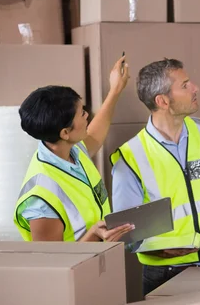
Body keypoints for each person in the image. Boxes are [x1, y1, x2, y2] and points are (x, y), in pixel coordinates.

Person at [110, 58, 200, 295]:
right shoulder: (131, 157)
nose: (196, 88)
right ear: (162, 101)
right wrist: (158, 250)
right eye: (185, 85)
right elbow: (126, 233)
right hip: (165, 275)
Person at [14, 55, 132, 242]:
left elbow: (95, 134)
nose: (87, 116)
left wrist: (116, 89)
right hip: (81, 269)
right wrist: (94, 236)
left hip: (101, 262)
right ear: (65, 133)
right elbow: (55, 264)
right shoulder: (41, 201)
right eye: (82, 113)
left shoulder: (72, 151)